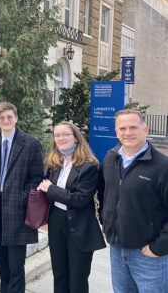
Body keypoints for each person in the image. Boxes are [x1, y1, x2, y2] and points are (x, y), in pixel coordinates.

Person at [98, 109, 168, 293]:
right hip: (116, 250)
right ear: (116, 132)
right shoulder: (110, 158)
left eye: (133, 127)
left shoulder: (162, 166)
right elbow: (104, 194)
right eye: (123, 128)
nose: (128, 133)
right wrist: (105, 222)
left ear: (145, 130)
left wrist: (159, 247)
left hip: (149, 254)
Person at [37, 121, 105, 293]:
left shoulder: (89, 166)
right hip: (57, 221)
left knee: (78, 278)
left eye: (65, 134)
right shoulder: (54, 164)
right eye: (57, 135)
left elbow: (80, 199)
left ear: (75, 137)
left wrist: (51, 189)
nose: (61, 138)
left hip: (80, 224)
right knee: (59, 274)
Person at [0, 102, 44, 293]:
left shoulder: (31, 143)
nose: (6, 120)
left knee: (16, 267)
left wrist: (21, 197)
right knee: (3, 265)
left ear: (16, 118)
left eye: (9, 117)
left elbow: (37, 177)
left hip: (19, 211)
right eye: (1, 117)